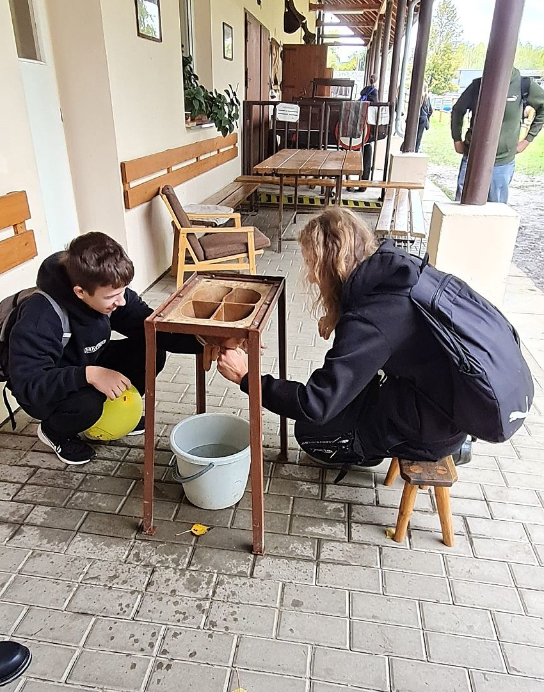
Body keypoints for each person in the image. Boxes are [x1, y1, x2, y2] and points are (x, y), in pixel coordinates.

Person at [217, 208, 468, 468]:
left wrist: (246, 378)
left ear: (332, 265)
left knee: (309, 431)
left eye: (312, 265)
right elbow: (387, 336)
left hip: (429, 427)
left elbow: (315, 404)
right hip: (437, 402)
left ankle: (373, 447)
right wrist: (340, 315)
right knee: (342, 401)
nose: (311, 277)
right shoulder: (397, 271)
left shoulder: (368, 321)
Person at [7, 232, 201, 464]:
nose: (122, 301)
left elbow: (152, 328)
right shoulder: (41, 315)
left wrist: (205, 341)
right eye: (112, 296)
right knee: (87, 404)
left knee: (150, 351)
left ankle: (114, 410)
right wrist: (89, 375)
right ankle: (55, 431)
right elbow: (28, 384)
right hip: (47, 386)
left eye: (123, 291)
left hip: (86, 362)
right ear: (80, 292)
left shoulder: (106, 289)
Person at [452, 67, 544, 203]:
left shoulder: (523, 85)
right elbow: (458, 110)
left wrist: (527, 139)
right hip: (472, 157)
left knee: (496, 207)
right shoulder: (478, 85)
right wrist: (457, 139)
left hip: (503, 160)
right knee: (464, 206)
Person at [357, 74, 379, 193]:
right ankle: (363, 183)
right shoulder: (374, 92)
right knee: (368, 149)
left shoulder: (364, 90)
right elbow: (375, 105)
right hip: (367, 126)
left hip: (358, 123)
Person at [415, 83, 433, 152]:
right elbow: (430, 110)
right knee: (419, 136)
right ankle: (416, 150)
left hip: (415, 117)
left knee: (412, 134)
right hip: (423, 117)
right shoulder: (427, 97)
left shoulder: (417, 95)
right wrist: (427, 118)